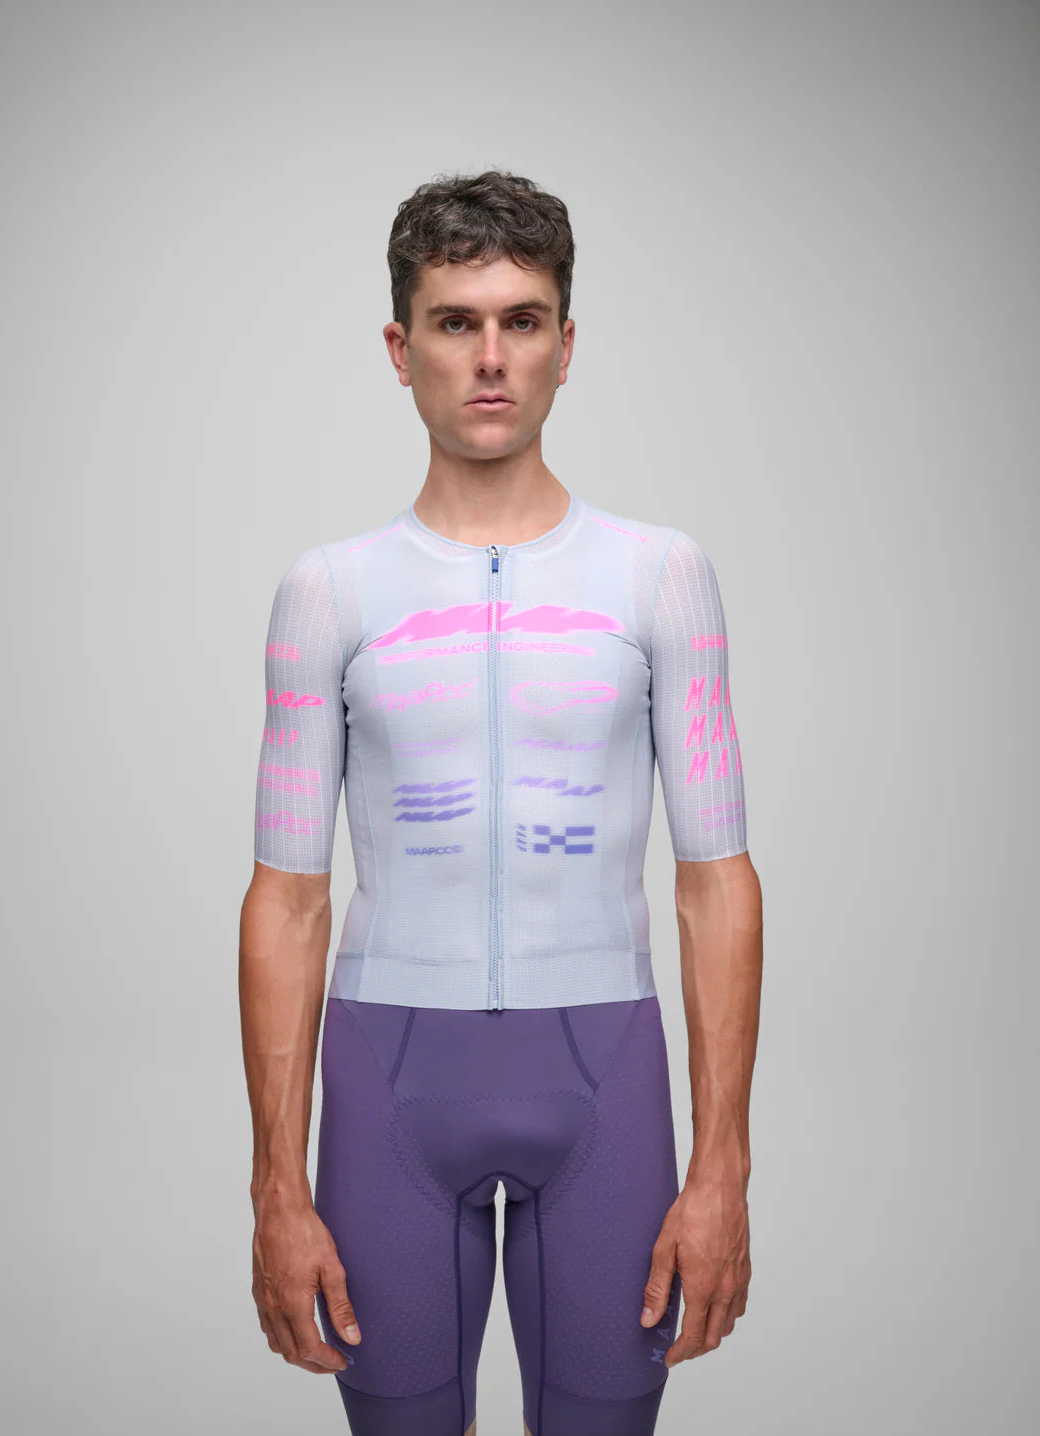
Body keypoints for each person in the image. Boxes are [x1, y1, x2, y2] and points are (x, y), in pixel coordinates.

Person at [239, 169, 763, 1436]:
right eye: (455, 321)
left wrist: (723, 1166)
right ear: (400, 347)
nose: (489, 357)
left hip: (603, 1075)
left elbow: (716, 883)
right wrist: (275, 1187)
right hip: (390, 1077)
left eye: (521, 321)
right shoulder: (330, 592)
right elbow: (288, 900)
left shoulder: (661, 576)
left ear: (565, 346)